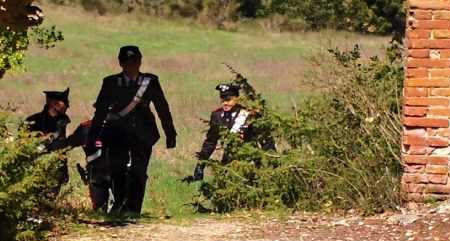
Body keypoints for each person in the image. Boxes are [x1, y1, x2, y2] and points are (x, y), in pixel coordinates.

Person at [87, 45, 177, 216]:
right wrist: (94, 136)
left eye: (134, 62)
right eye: (128, 62)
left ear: (140, 62)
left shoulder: (150, 81)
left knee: (138, 171)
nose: (131, 66)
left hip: (143, 133)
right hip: (117, 133)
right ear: (120, 63)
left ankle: (133, 209)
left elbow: (162, 108)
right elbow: (100, 112)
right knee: (117, 170)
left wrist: (170, 133)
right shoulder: (110, 82)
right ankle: (120, 203)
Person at [184, 83, 275, 182]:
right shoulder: (217, 116)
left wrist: (272, 162)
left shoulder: (249, 115)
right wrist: (200, 165)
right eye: (223, 100)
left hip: (251, 162)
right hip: (229, 163)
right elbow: (210, 142)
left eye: (228, 100)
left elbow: (265, 139)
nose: (225, 103)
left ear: (237, 99)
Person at [25, 87, 72, 186]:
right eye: (64, 103)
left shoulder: (62, 121)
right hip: (36, 169)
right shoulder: (32, 121)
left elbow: (61, 148)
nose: (67, 107)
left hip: (56, 170)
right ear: (54, 104)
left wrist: (64, 171)